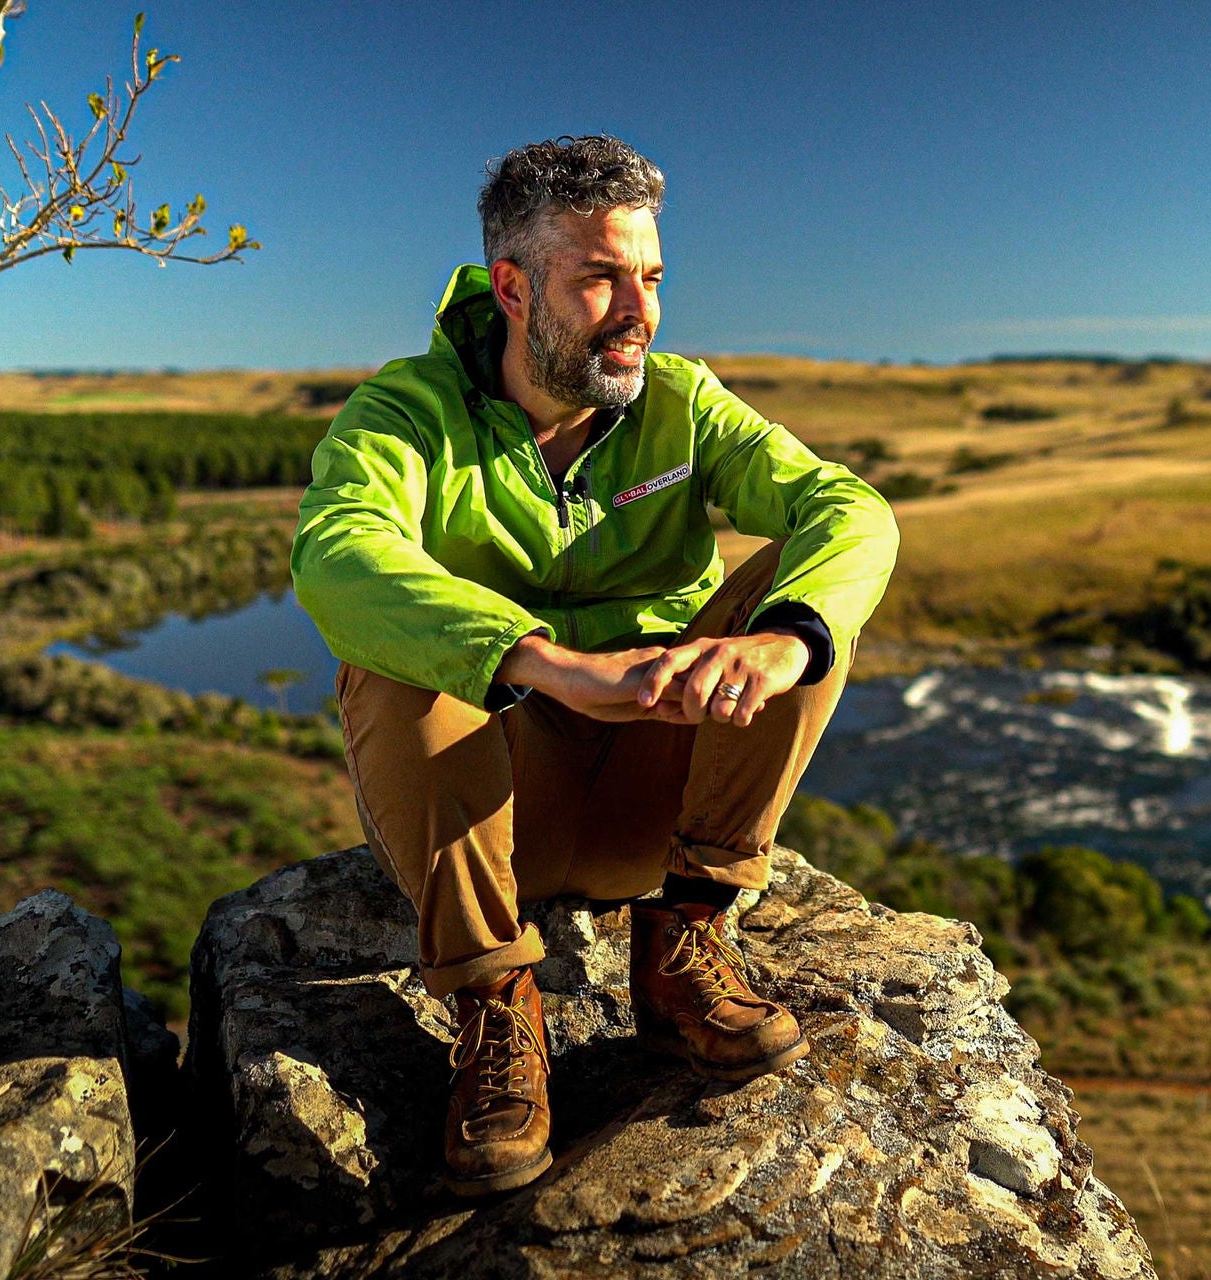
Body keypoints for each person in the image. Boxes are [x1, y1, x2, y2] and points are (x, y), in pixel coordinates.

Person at [291, 135, 899, 1198]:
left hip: (650, 803)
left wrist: (781, 641)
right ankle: (493, 1005)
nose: (638, 310)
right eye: (601, 277)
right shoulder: (406, 411)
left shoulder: (682, 403)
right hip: (495, 819)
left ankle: (684, 942)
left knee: (798, 598)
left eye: (650, 277)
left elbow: (846, 506)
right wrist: (545, 663)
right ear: (515, 287)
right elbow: (338, 551)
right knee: (387, 653)